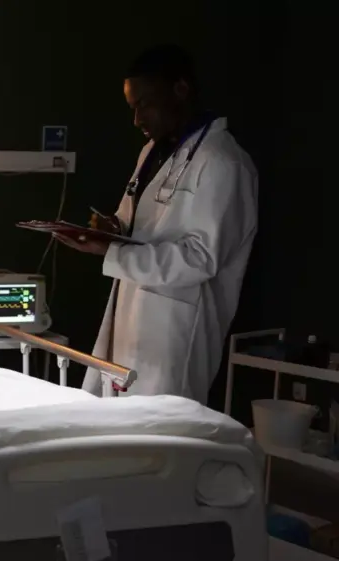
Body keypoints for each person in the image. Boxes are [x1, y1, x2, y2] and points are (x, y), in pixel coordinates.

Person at [57, 45, 258, 403]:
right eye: (132, 107)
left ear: (180, 90)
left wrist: (112, 250)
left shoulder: (224, 163)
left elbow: (200, 259)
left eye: (143, 105)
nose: (136, 119)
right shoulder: (154, 151)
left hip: (175, 330)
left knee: (161, 433)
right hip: (132, 313)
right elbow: (134, 222)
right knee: (120, 426)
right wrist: (110, 230)